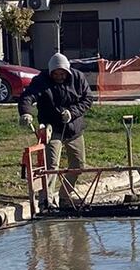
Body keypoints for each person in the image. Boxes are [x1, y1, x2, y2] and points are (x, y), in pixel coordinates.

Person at [18, 53, 94, 208]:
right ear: (51, 72)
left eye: (62, 73)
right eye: (56, 73)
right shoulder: (41, 81)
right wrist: (26, 112)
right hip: (52, 128)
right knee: (51, 165)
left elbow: (87, 99)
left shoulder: (78, 78)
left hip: (74, 128)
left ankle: (65, 197)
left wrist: (72, 112)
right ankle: (47, 201)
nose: (59, 76)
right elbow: (27, 97)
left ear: (68, 71)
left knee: (79, 165)